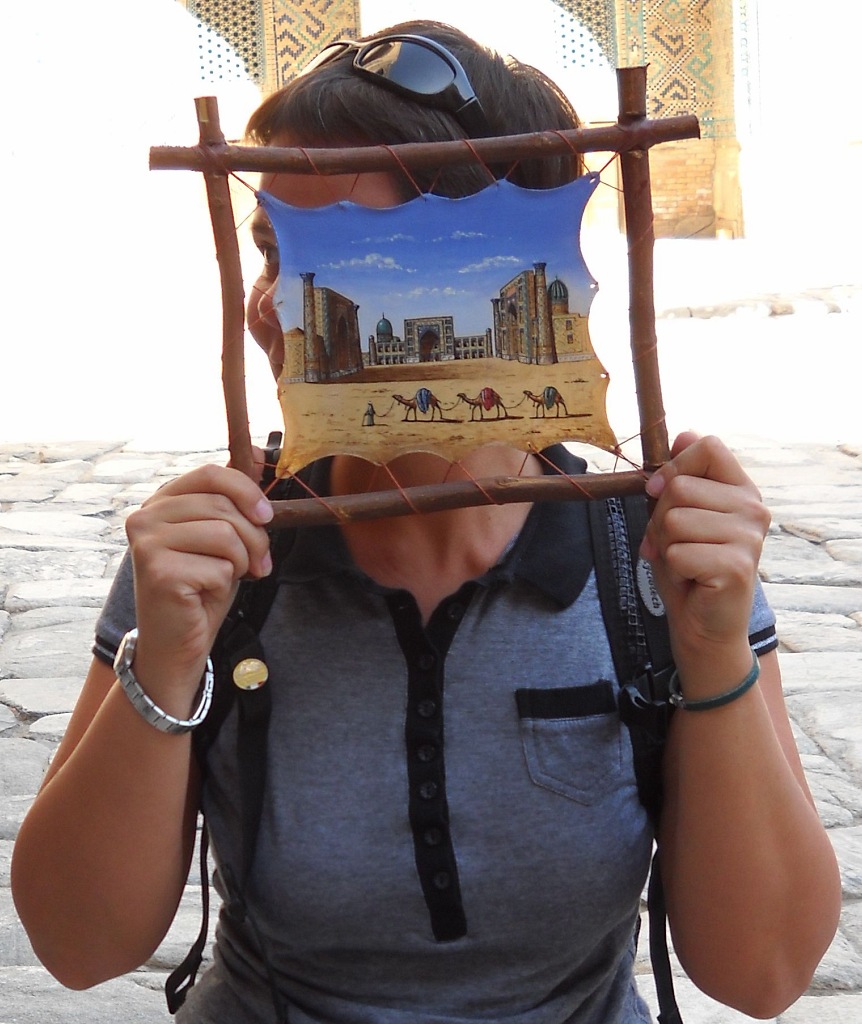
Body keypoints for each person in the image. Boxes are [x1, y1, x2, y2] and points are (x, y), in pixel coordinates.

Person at [11, 19, 840, 1024]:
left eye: (333, 254)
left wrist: (714, 655)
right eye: (271, 249)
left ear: (499, 274)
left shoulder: (650, 564)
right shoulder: (218, 563)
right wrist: (167, 662)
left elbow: (762, 972)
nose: (271, 304)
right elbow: (78, 944)